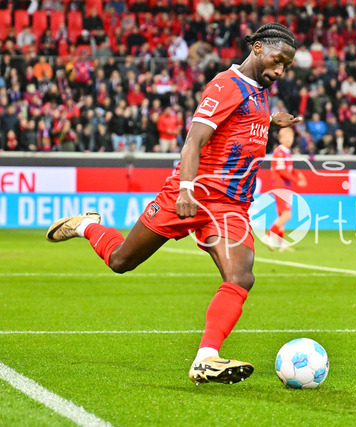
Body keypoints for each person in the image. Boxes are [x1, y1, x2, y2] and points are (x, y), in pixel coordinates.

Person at [46, 23, 302, 384]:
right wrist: (185, 190)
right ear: (258, 48)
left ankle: (206, 358)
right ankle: (87, 225)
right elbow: (193, 142)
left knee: (241, 277)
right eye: (278, 61)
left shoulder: (259, 92)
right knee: (121, 261)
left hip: (231, 206)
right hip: (192, 195)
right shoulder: (226, 85)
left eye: (286, 66)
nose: (280, 71)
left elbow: (240, 124)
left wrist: (270, 121)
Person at [264, 127, 307, 250]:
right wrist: (296, 180)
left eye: (290, 137)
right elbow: (281, 171)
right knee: (287, 215)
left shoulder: (287, 152)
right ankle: (268, 236)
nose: (288, 139)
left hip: (284, 186)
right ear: (280, 139)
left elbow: (287, 169)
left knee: (281, 215)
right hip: (280, 186)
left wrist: (296, 172)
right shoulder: (279, 152)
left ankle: (280, 244)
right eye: (285, 137)